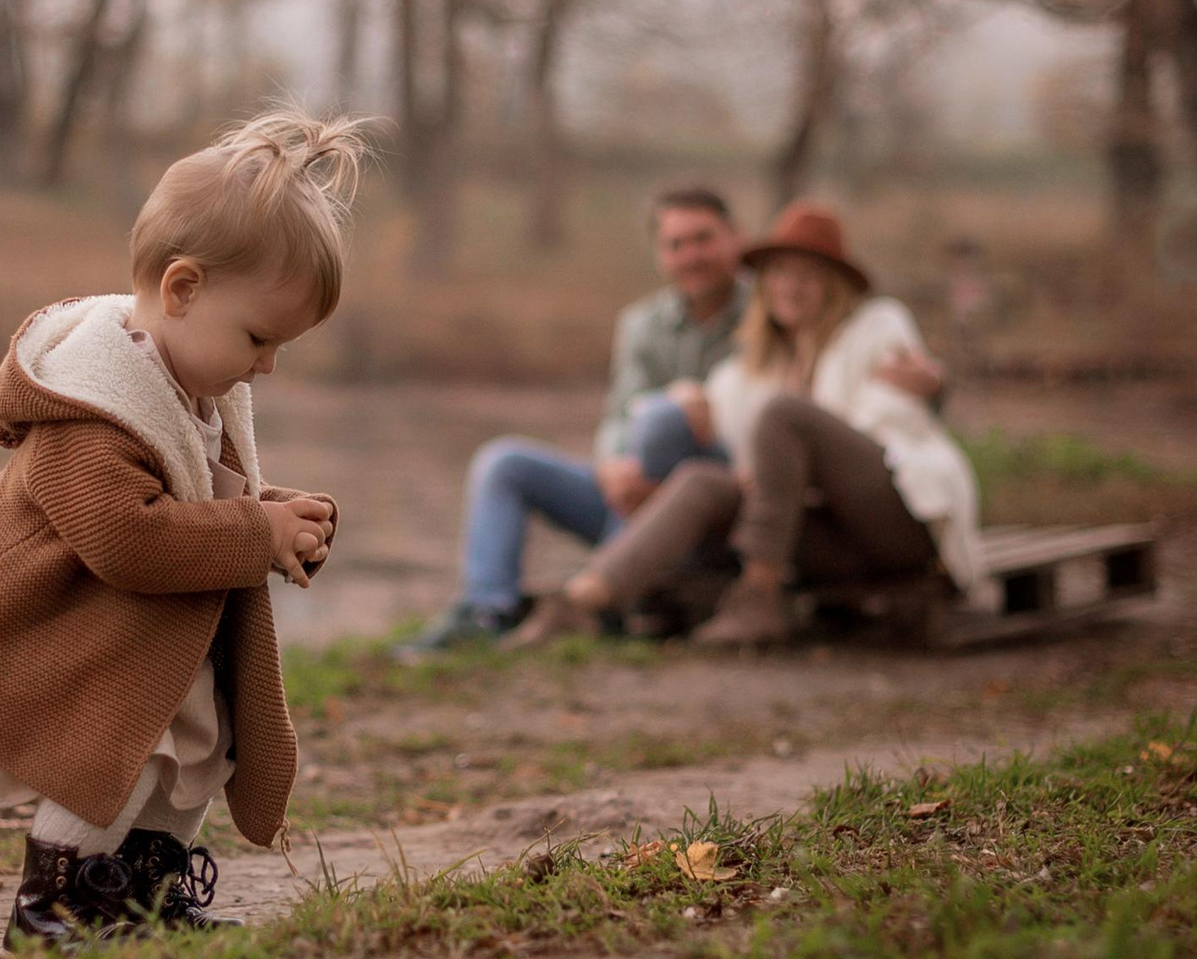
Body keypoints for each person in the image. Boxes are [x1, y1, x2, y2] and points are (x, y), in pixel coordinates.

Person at [0, 109, 362, 950]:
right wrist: (254, 532)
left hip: (136, 630)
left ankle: (144, 894)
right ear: (181, 288)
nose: (267, 365)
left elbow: (196, 491)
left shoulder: (190, 379)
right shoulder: (91, 408)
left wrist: (274, 511)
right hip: (48, 626)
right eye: (258, 337)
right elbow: (127, 538)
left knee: (195, 752)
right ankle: (57, 899)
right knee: (116, 754)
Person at [506, 201, 977, 651]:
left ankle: (758, 593)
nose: (790, 287)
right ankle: (581, 601)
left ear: (833, 283)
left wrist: (797, 463)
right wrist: (682, 396)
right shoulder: (759, 366)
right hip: (834, 542)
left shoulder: (878, 326)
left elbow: (892, 421)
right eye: (779, 274)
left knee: (783, 414)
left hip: (896, 521)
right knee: (701, 482)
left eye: (807, 275)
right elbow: (714, 408)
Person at [400, 185, 751, 652]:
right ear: (660, 254)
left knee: (664, 419)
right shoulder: (641, 324)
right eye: (675, 244)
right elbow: (619, 418)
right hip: (631, 497)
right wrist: (611, 467)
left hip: (712, 505)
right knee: (503, 462)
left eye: (703, 239)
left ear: (735, 238)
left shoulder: (768, 316)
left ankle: (604, 595)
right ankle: (488, 611)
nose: (690, 255)